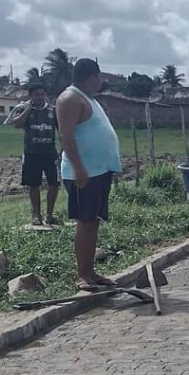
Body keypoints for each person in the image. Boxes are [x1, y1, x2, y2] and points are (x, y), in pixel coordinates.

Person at [55, 58, 123, 292]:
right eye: (99, 77)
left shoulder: (88, 99)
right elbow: (66, 136)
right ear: (91, 76)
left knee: (92, 221)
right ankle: (82, 275)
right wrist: (79, 169)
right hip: (83, 173)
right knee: (85, 222)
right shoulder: (70, 99)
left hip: (98, 171)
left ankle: (91, 271)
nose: (101, 82)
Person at [10, 78, 60, 226]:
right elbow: (17, 124)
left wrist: (64, 149)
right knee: (34, 185)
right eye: (36, 95)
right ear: (30, 96)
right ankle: (37, 216)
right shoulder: (23, 109)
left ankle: (50, 215)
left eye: (42, 94)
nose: (40, 97)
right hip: (31, 152)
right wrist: (29, 109)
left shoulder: (52, 110)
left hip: (50, 152)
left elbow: (61, 130)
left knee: (54, 183)